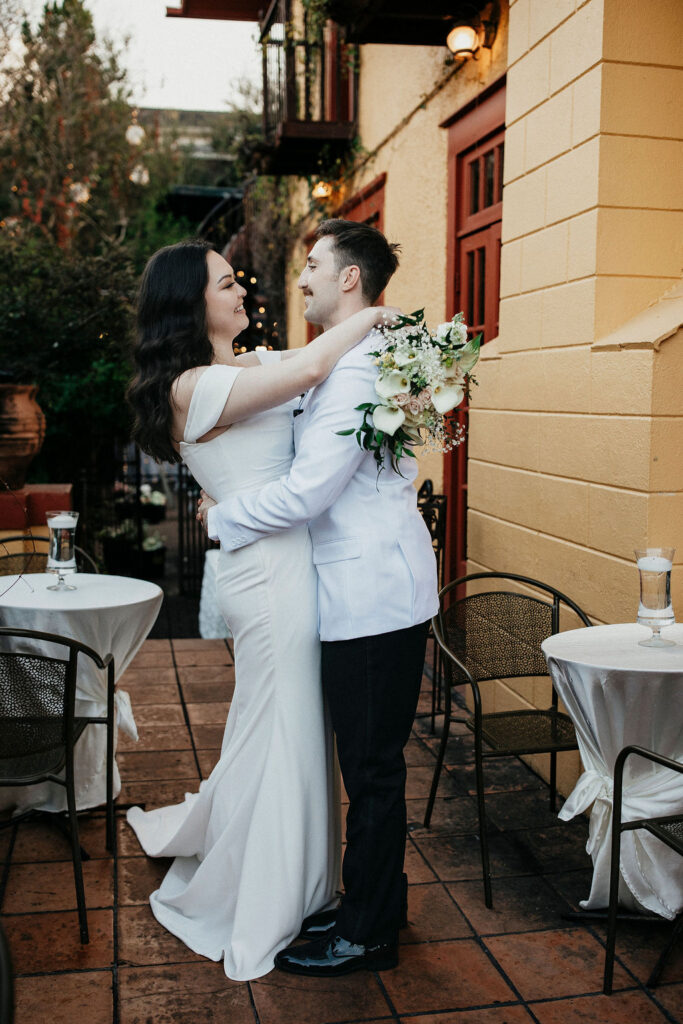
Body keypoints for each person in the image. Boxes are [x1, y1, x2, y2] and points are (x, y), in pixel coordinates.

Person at [125, 237, 398, 982]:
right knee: (282, 729)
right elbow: (314, 366)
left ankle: (309, 882)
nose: (242, 291)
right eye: (225, 283)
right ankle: (271, 892)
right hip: (269, 575)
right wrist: (377, 317)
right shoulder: (192, 386)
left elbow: (310, 384)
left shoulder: (249, 365)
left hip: (291, 564)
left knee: (291, 729)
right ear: (191, 303)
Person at [199, 219, 439, 977]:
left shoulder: (362, 372)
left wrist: (222, 519)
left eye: (312, 265)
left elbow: (307, 492)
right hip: (361, 592)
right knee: (369, 764)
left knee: (370, 770)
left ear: (348, 280)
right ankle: (377, 899)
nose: (297, 278)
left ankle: (365, 932)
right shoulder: (340, 358)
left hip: (370, 598)